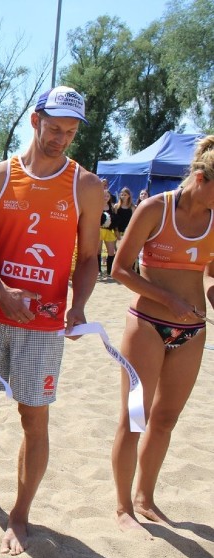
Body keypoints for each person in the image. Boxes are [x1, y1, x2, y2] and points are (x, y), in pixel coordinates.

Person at [0, 86, 103, 555]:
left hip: (44, 321)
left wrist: (78, 304)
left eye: (71, 132)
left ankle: (20, 513)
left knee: (34, 418)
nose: (62, 138)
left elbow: (91, 257)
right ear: (35, 120)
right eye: (55, 128)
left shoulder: (87, 186)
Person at [110, 135, 214, 534]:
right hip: (148, 325)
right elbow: (120, 270)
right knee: (135, 419)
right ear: (201, 179)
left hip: (193, 330)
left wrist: (208, 296)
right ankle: (122, 508)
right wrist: (169, 300)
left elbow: (209, 273)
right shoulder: (156, 208)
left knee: (166, 420)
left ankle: (145, 499)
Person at [100, 182, 119, 278]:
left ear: (110, 197)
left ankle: (109, 271)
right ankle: (98, 271)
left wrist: (117, 233)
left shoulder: (112, 207)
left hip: (109, 231)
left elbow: (115, 222)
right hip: (98, 231)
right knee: (97, 251)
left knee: (111, 252)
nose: (106, 197)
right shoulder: (97, 206)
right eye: (104, 195)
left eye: (107, 196)